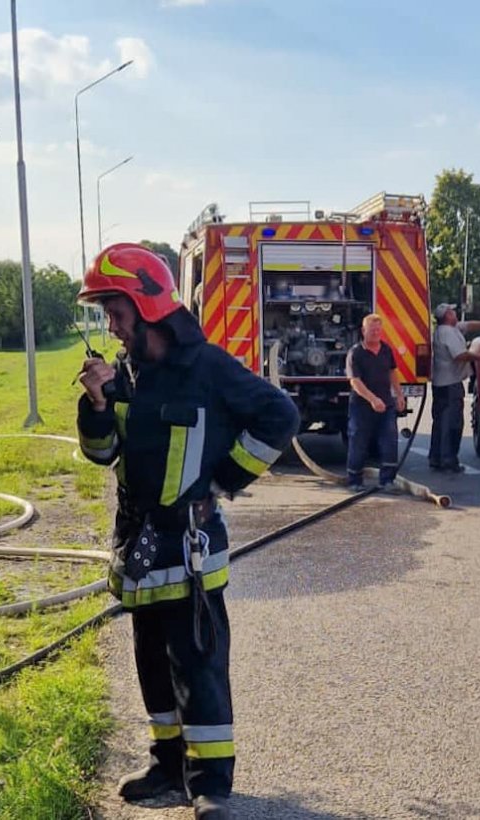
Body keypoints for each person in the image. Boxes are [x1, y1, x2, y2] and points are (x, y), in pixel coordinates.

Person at [76, 243, 299, 820]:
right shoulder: (125, 375)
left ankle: (210, 787)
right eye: (105, 313)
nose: (111, 326)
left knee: (198, 666)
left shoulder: (209, 369)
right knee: (152, 664)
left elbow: (280, 417)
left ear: (146, 305)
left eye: (115, 311)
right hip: (141, 551)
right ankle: (167, 768)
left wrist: (224, 479)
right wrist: (96, 406)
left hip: (192, 553)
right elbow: (103, 453)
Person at [428, 303, 480, 472]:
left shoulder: (449, 329)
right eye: (452, 311)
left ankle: (436, 458)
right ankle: (448, 460)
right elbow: (459, 355)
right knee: (452, 424)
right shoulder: (447, 333)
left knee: (440, 423)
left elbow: (470, 324)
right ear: (447, 316)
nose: (455, 313)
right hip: (450, 385)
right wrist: (479, 356)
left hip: (443, 385)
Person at [345, 313, 405, 492]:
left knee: (390, 440)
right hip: (362, 406)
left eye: (378, 330)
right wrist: (372, 399)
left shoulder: (386, 350)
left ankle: (387, 481)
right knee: (359, 440)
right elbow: (355, 381)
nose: (375, 333)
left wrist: (399, 395)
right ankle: (355, 480)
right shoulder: (355, 353)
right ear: (363, 331)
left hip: (386, 404)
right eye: (372, 330)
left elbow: (392, 372)